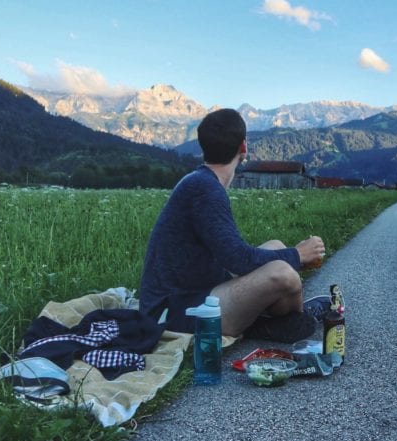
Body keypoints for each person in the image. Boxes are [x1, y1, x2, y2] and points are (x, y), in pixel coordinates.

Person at [139, 108, 326, 342]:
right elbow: (238, 259)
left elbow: (231, 256)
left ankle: (273, 321)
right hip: (174, 312)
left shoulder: (199, 181)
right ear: (243, 147)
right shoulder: (206, 190)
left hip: (192, 291)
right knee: (284, 274)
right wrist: (298, 255)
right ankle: (285, 322)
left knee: (276, 246)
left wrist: (289, 253)